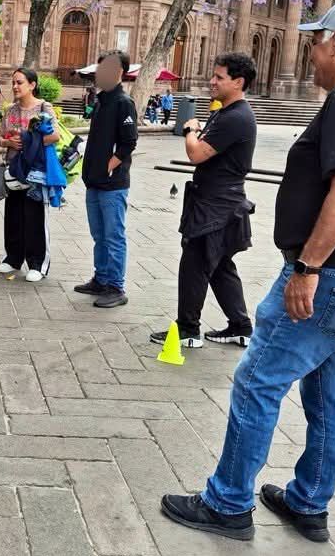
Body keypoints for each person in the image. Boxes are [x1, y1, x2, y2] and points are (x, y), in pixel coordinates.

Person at [161, 0, 335, 543]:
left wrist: (307, 266)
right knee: (328, 395)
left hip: (329, 277)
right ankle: (309, 501)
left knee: (257, 381)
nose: (311, 51)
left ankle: (227, 502)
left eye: (316, 40)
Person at [150, 53, 258, 350]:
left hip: (217, 206)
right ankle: (241, 327)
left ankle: (187, 330)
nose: (212, 81)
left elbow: (196, 154)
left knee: (194, 265)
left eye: (219, 77)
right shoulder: (226, 112)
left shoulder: (236, 117)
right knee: (221, 265)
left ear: (238, 82)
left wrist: (190, 131)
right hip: (216, 202)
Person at [74, 50, 138, 308]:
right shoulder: (101, 101)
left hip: (112, 185)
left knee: (113, 235)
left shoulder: (124, 102)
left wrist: (108, 168)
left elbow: (128, 142)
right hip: (94, 182)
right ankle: (101, 279)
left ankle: (116, 287)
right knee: (99, 234)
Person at [0, 68, 58, 282]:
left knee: (34, 217)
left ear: (32, 84)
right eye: (13, 82)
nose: (15, 86)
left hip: (36, 171)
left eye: (19, 82)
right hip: (14, 170)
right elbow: (0, 139)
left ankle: (37, 263)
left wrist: (28, 140)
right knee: (13, 216)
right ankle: (13, 258)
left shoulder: (43, 107)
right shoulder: (10, 110)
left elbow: (55, 136)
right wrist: (8, 142)